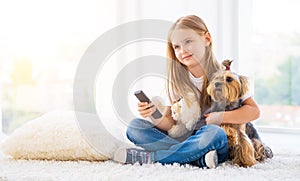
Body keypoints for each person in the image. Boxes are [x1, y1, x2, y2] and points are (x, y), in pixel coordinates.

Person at [113, 15, 262, 168]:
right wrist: (153, 114)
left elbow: (254, 111)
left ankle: (155, 158)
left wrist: (221, 117)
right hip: (185, 139)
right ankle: (198, 158)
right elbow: (170, 125)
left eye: (188, 42)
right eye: (176, 47)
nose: (182, 50)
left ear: (207, 39)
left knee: (213, 133)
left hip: (214, 139)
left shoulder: (225, 76)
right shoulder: (176, 82)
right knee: (135, 127)